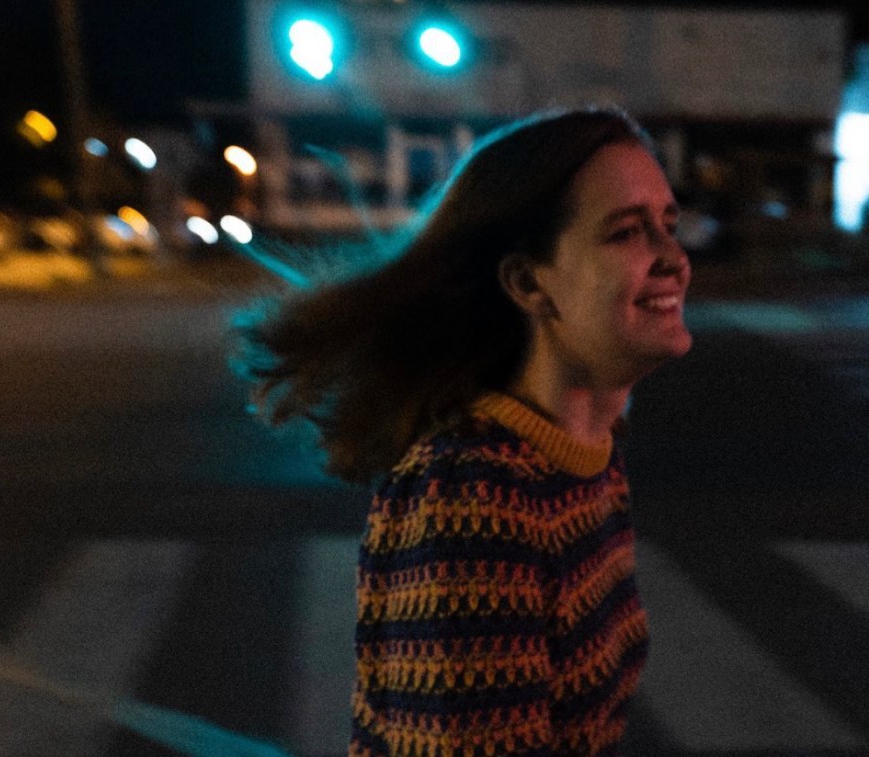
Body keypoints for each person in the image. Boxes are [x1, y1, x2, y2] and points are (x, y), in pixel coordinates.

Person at [234, 106, 691, 756]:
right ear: (529, 283)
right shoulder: (475, 500)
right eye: (626, 233)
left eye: (669, 225)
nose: (673, 258)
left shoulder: (586, 452)